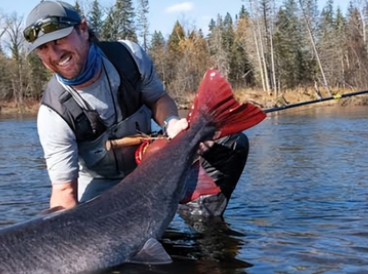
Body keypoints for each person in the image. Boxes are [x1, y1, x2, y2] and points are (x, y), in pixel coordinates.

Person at [24, 0, 249, 221]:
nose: (54, 54)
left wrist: (171, 123)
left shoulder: (128, 56)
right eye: (43, 48)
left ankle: (199, 216)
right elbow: (64, 192)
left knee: (227, 142)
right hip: (102, 193)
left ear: (83, 29)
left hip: (150, 170)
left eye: (59, 40)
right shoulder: (53, 113)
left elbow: (158, 98)